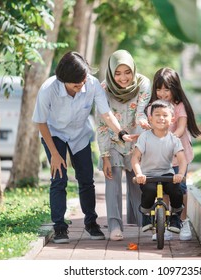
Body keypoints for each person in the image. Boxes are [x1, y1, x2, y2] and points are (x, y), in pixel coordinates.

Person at [32, 51, 134, 244]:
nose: (81, 87)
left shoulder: (92, 84)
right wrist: (54, 153)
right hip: (54, 134)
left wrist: (121, 133)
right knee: (59, 179)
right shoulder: (48, 89)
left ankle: (91, 223)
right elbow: (41, 122)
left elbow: (106, 114)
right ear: (64, 80)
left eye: (83, 81)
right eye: (76, 85)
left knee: (86, 179)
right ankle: (60, 228)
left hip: (79, 135)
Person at [96, 49, 151, 241]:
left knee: (138, 181)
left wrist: (142, 122)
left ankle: (144, 223)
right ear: (111, 73)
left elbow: (141, 110)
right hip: (112, 141)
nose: (123, 78)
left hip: (136, 139)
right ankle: (114, 226)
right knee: (113, 180)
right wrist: (104, 156)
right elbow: (102, 124)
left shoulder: (143, 83)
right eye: (117, 73)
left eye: (127, 72)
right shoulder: (103, 89)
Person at [148, 67, 201, 241]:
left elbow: (180, 127)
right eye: (159, 89)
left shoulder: (179, 106)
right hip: (160, 157)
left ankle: (182, 221)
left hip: (179, 155)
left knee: (179, 189)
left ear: (175, 88)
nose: (162, 93)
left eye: (166, 89)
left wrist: (168, 138)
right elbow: (150, 126)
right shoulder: (152, 107)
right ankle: (163, 225)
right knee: (163, 188)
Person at [131, 100, 187, 234]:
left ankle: (175, 217)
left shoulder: (174, 139)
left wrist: (180, 174)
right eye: (157, 114)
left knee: (176, 191)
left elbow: (182, 160)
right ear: (150, 118)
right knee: (149, 191)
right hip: (148, 175)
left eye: (165, 115)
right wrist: (139, 174)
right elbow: (135, 158)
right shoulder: (145, 137)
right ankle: (146, 215)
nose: (161, 118)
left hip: (166, 174)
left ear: (172, 119)